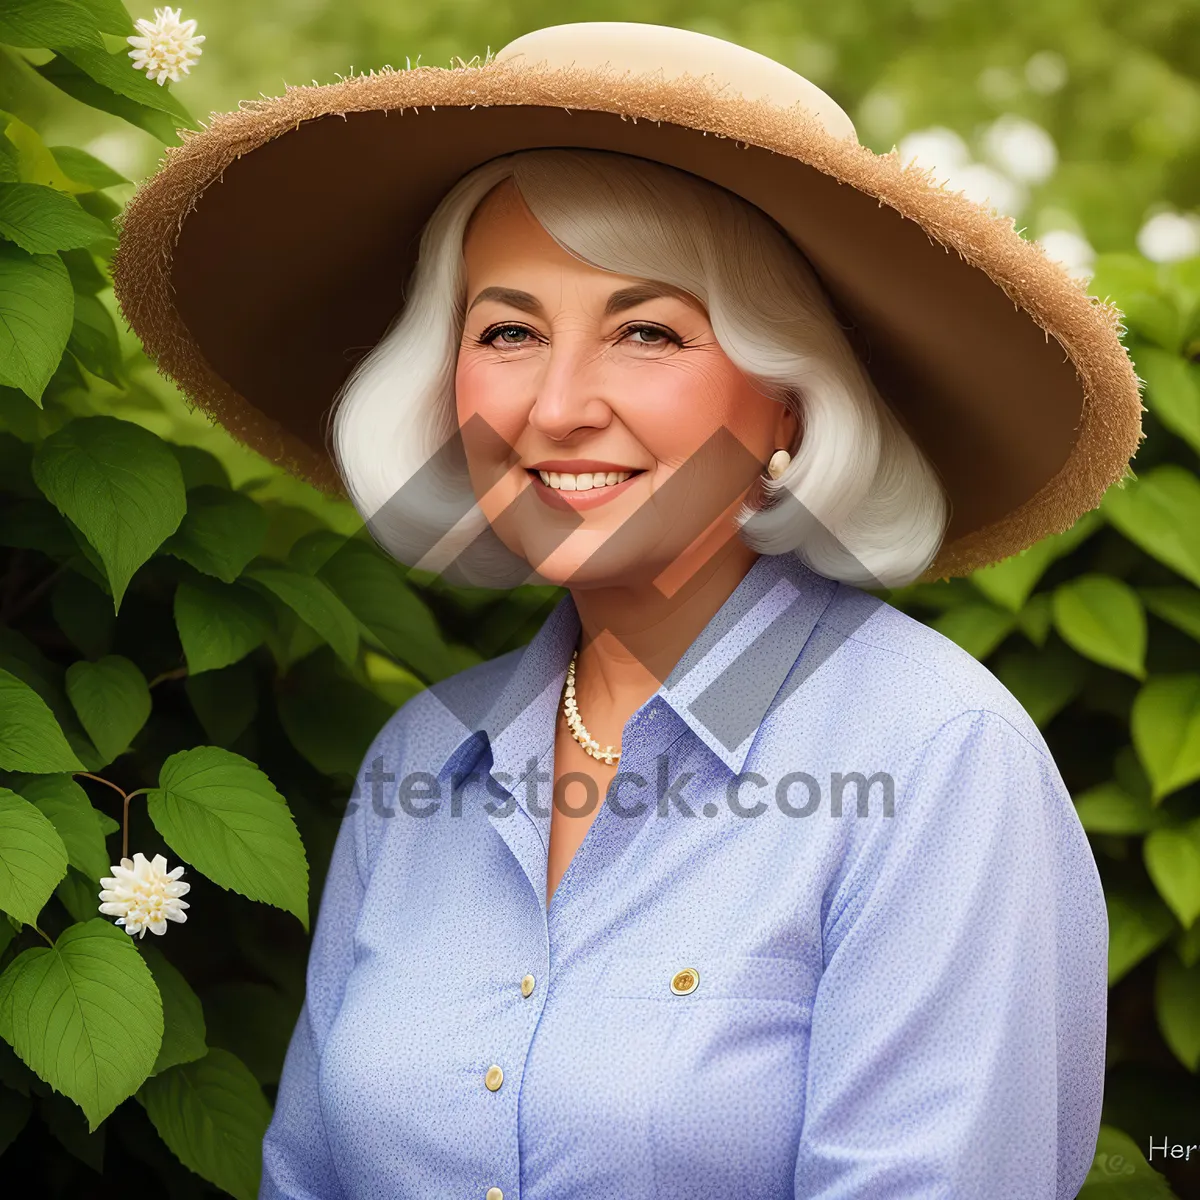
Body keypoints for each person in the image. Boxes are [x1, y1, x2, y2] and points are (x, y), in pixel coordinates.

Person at [110, 22, 1143, 1200]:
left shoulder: (936, 759)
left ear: (792, 404)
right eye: (507, 331)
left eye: (648, 332)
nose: (555, 406)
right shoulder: (424, 762)